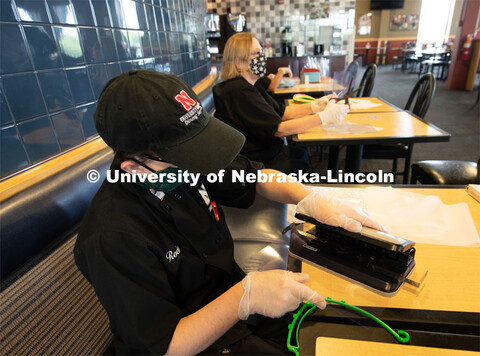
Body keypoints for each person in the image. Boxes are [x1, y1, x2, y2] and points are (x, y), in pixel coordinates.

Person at [74, 70, 386, 355]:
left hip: (233, 304)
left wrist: (311, 198)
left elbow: (256, 176)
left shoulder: (178, 165)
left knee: (339, 328)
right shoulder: (112, 235)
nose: (199, 166)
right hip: (195, 339)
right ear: (133, 167)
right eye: (186, 158)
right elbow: (166, 344)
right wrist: (244, 298)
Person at [213, 32, 349, 174]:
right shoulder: (238, 91)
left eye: (262, 52)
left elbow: (282, 112)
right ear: (239, 63)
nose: (262, 57)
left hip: (269, 152)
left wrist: (316, 105)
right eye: (256, 53)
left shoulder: (253, 83)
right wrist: (324, 117)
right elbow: (279, 130)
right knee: (301, 161)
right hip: (256, 163)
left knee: (302, 155)